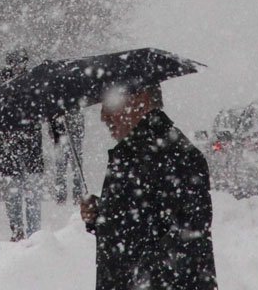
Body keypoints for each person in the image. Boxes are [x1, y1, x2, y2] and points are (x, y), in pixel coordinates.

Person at [80, 84, 218, 289]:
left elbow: (186, 237)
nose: (103, 117)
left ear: (140, 98)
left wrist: (140, 277)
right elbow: (139, 221)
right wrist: (100, 215)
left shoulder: (173, 155)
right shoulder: (132, 153)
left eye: (109, 104)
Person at [0, 48, 44, 242]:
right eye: (17, 63)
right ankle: (18, 230)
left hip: (29, 146)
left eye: (22, 63)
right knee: (15, 194)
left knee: (31, 194)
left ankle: (33, 234)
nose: (19, 67)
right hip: (10, 146)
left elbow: (40, 109)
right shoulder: (0, 84)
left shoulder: (34, 82)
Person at [49, 109, 85, 204]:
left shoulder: (73, 105)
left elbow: (79, 119)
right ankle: (61, 196)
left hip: (73, 131)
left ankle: (77, 195)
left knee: (76, 166)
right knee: (61, 167)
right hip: (60, 134)